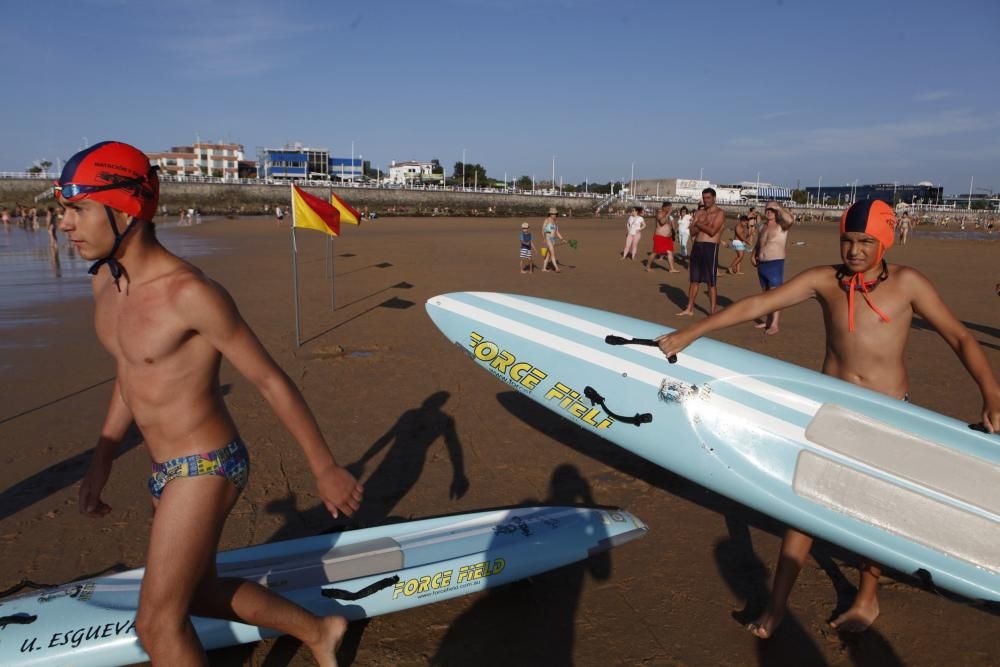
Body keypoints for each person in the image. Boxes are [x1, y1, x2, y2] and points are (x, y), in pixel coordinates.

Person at [59, 142, 362, 666]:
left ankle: (318, 630)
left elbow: (268, 378)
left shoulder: (190, 293)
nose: (65, 224)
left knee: (157, 624)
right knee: (196, 593)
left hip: (208, 463)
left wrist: (324, 467)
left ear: (126, 207)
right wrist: (101, 460)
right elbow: (130, 373)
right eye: (65, 210)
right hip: (163, 468)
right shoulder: (106, 288)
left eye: (78, 208)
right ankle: (320, 630)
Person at [656, 199, 1000, 639]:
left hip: (888, 415)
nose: (854, 251)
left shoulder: (909, 284)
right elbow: (758, 304)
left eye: (866, 242)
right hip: (832, 414)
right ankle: (777, 605)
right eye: (848, 241)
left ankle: (866, 598)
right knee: (803, 509)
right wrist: (692, 332)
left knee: (872, 511)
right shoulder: (825, 280)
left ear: (886, 241)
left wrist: (990, 393)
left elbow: (960, 336)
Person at [677, 189, 725, 316]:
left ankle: (713, 311)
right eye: (704, 198)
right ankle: (689, 308)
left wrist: (698, 224)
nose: (706, 200)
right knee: (694, 279)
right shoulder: (699, 212)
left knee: (711, 281)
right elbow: (692, 232)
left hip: (711, 247)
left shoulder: (719, 213)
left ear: (714, 198)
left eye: (708, 197)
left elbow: (712, 231)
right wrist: (699, 224)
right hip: (697, 246)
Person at [752, 202, 795, 334]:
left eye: (772, 209)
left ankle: (775, 324)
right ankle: (768, 321)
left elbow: (790, 219)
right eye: (767, 209)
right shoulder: (763, 227)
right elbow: (759, 242)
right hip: (762, 264)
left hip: (775, 263)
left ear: (777, 211)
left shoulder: (782, 226)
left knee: (775, 294)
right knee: (766, 294)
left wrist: (778, 207)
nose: (769, 211)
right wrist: (753, 254)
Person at [646, 202, 680, 273]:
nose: (670, 209)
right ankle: (648, 267)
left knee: (670, 252)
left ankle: (671, 268)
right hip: (660, 237)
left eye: (671, 207)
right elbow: (662, 222)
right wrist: (668, 213)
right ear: (664, 207)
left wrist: (672, 233)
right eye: (669, 207)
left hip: (668, 238)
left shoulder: (669, 216)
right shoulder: (660, 213)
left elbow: (670, 226)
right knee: (655, 252)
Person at [542, 208, 564, 273]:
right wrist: (544, 239)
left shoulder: (555, 222)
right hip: (548, 238)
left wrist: (562, 239)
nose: (554, 215)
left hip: (553, 239)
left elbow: (557, 232)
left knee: (548, 255)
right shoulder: (547, 220)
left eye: (555, 214)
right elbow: (542, 230)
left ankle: (544, 268)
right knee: (553, 253)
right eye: (553, 214)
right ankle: (556, 268)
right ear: (550, 214)